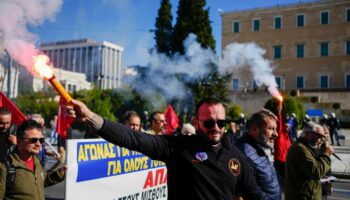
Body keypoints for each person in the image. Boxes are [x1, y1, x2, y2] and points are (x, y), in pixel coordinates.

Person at [66, 98, 266, 200]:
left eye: (221, 122)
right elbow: (133, 138)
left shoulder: (236, 156)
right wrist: (92, 118)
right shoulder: (178, 147)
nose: (216, 127)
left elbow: (254, 196)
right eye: (209, 123)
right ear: (196, 123)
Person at [0, 120, 66, 199]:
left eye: (41, 140)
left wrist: (60, 173)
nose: (38, 144)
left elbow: (40, 181)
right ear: (19, 141)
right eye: (33, 140)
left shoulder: (37, 160)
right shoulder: (5, 166)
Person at [236, 109, 280, 200]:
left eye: (275, 129)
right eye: (271, 128)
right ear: (255, 129)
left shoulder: (256, 146)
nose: (276, 134)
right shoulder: (243, 152)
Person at [285, 122, 334, 200]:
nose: (322, 139)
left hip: (310, 194)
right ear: (307, 134)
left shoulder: (309, 147)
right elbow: (316, 171)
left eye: (324, 137)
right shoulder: (301, 149)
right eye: (319, 136)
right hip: (303, 196)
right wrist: (326, 154)